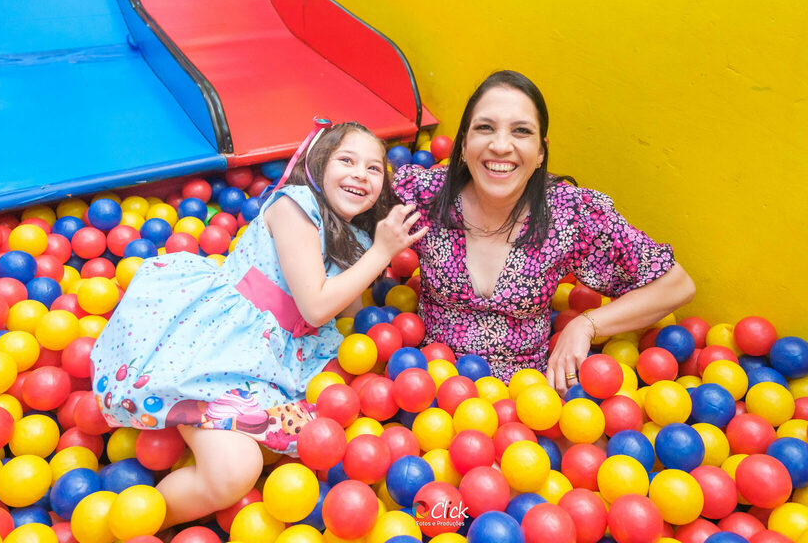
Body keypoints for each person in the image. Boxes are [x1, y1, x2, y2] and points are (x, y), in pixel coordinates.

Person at [90, 120, 426, 526]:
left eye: (374, 168)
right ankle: (130, 526)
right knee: (235, 470)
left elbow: (348, 312)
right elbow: (317, 307)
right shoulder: (295, 206)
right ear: (318, 165)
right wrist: (382, 253)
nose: (361, 174)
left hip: (276, 357)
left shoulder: (355, 237)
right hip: (218, 343)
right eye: (347, 160)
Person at [393, 70, 695, 393]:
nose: (500, 145)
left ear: (540, 152)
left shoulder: (569, 214)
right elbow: (354, 227)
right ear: (464, 144)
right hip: (425, 388)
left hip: (529, 401)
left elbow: (677, 285)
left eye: (521, 131)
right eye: (485, 128)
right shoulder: (423, 195)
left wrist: (586, 325)